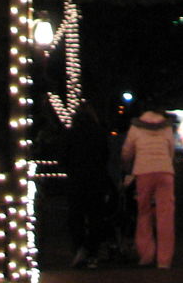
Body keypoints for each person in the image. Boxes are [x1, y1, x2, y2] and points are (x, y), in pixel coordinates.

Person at [121, 100, 177, 268]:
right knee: (165, 216)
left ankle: (146, 254)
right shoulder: (166, 127)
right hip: (165, 172)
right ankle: (164, 260)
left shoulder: (136, 127)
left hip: (143, 171)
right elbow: (171, 150)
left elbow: (127, 152)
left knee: (143, 212)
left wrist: (127, 165)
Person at [61, 100, 113, 268]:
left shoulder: (71, 133)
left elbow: (63, 158)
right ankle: (92, 252)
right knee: (96, 216)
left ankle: (79, 248)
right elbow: (106, 156)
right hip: (96, 179)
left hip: (76, 179)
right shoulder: (99, 133)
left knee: (75, 216)